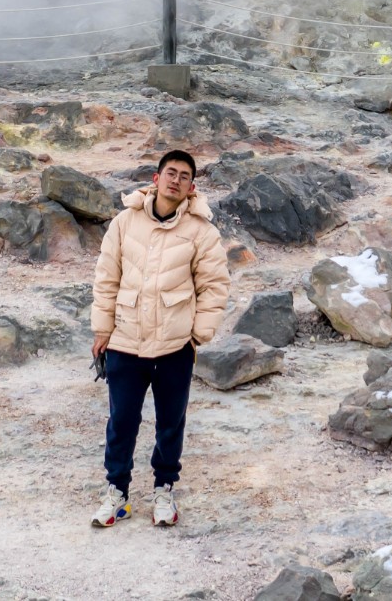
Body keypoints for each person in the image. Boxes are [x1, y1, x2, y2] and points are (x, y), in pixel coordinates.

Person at [89, 147, 230, 528]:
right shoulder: (124, 222)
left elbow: (215, 286)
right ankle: (117, 492)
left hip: (174, 347)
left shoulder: (202, 231)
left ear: (191, 187)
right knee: (122, 421)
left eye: (185, 176)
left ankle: (164, 488)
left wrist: (197, 334)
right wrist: (102, 329)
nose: (176, 180)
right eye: (171, 172)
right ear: (156, 178)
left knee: (171, 422)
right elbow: (106, 278)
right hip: (125, 341)